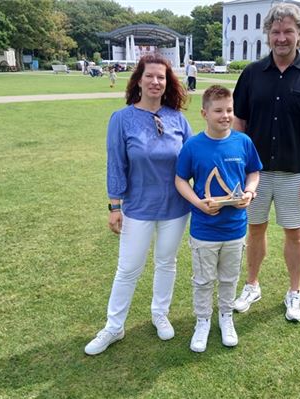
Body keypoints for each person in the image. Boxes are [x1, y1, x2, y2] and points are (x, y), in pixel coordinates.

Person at [232, 3, 300, 322]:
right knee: (255, 229)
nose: (281, 37)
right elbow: (239, 122)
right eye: (276, 31)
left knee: (294, 234)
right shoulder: (252, 74)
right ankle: (252, 285)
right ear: (268, 35)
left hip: (295, 173)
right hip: (256, 174)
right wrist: (239, 168)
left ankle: (294, 292)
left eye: (288, 31)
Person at [84, 54, 193, 356]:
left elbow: (194, 157)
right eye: (150, 76)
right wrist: (114, 207)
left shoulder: (177, 118)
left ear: (167, 82)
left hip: (175, 208)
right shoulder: (122, 119)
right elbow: (115, 164)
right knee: (128, 268)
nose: (156, 82)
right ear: (139, 80)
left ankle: (160, 313)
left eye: (162, 77)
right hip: (138, 207)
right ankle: (114, 326)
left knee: (166, 262)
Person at [175, 85, 262, 352]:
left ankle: (225, 317)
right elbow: (181, 179)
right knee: (203, 280)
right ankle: (202, 321)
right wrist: (198, 204)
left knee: (229, 278)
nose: (225, 115)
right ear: (204, 113)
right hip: (204, 230)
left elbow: (253, 172)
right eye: (218, 111)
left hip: (235, 229)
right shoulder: (193, 146)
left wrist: (249, 191)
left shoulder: (243, 142)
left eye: (229, 110)